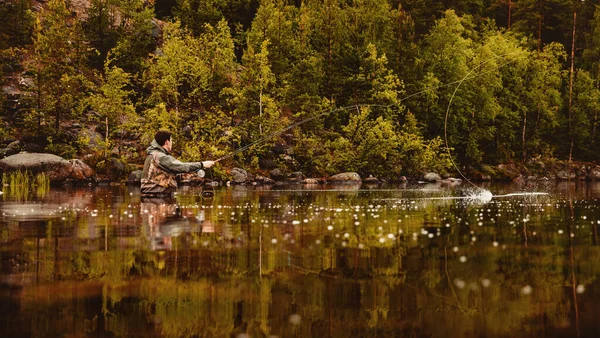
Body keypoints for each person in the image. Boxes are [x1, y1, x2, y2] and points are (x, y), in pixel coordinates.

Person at [141, 130, 214, 196]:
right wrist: (202, 164)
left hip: (153, 197)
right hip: (157, 199)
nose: (172, 143)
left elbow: (172, 173)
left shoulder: (152, 155)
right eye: (171, 141)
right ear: (167, 142)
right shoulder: (160, 157)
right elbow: (181, 166)